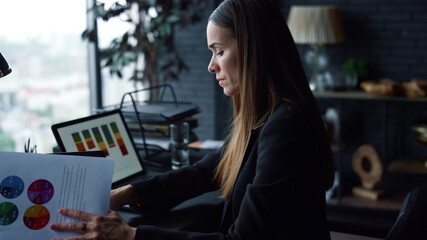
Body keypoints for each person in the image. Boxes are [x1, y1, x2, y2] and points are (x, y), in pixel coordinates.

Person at [50, 0, 335, 239]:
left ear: (254, 51)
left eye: (219, 51)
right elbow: (207, 171)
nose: (212, 66)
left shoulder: (286, 126)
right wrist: (127, 192)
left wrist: (131, 235)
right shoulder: (268, 117)